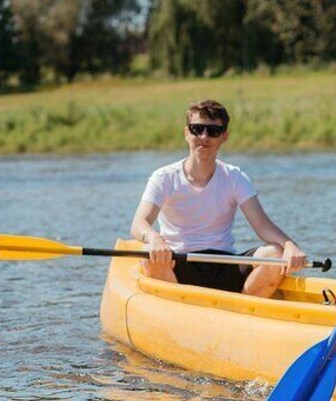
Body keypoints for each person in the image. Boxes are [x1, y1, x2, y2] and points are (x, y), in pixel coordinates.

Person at [131, 99, 307, 297]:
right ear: (186, 133)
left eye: (213, 131)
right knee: (147, 253)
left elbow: (262, 225)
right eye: (197, 129)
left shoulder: (235, 177)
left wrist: (291, 246)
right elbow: (139, 223)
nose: (204, 136)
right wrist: (154, 238)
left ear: (224, 136)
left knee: (276, 253)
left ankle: (244, 311)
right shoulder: (163, 177)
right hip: (178, 263)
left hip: (224, 264)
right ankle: (178, 308)